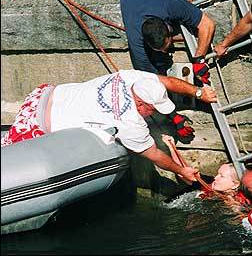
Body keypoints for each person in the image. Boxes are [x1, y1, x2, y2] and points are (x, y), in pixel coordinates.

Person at [1, 69, 218, 184]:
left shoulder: (129, 77)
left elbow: (165, 81)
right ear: (140, 103)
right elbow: (153, 155)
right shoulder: (129, 121)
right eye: (152, 109)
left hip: (42, 95)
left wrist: (198, 92)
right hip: (35, 124)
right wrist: (181, 171)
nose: (153, 114)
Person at [119, 0, 215, 84]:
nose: (165, 51)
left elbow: (207, 24)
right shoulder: (135, 39)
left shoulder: (168, 4)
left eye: (167, 46)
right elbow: (149, 79)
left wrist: (199, 60)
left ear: (169, 28)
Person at [161, 134, 251, 212]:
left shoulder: (240, 200)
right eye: (218, 173)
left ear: (235, 184)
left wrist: (232, 206)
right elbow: (183, 171)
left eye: (222, 176)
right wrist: (171, 146)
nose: (216, 177)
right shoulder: (208, 183)